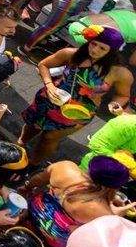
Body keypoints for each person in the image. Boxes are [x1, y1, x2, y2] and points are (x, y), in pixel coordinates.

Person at [19, 26, 132, 163]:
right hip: (51, 97)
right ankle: (21, 143)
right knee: (33, 125)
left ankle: (33, 163)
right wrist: (49, 85)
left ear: (112, 52)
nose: (95, 50)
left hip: (80, 111)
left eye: (102, 48)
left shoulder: (120, 73)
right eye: (93, 44)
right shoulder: (71, 53)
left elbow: (123, 95)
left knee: (50, 138)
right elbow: (44, 65)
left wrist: (115, 104)